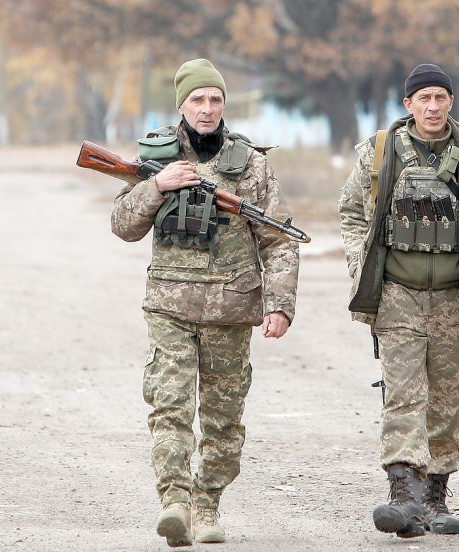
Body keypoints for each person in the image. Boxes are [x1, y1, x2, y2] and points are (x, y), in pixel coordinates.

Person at [110, 58, 299, 547]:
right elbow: (124, 226)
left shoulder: (251, 163)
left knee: (223, 419)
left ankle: (206, 502)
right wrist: (157, 186)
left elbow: (278, 240)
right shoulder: (157, 155)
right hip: (169, 304)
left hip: (230, 310)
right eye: (198, 99)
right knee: (169, 406)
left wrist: (279, 305)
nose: (207, 108)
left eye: (215, 99)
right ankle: (174, 502)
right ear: (181, 104)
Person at [338, 63, 459, 538]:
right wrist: (360, 267)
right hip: (399, 296)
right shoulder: (380, 154)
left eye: (441, 97)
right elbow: (350, 213)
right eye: (423, 98)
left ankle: (434, 497)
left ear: (451, 103)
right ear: (408, 105)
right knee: (403, 395)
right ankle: (402, 495)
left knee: (446, 402)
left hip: (455, 300)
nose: (433, 107)